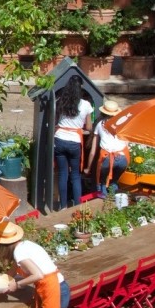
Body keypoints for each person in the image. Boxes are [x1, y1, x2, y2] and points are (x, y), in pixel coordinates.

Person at [54, 76, 92, 209]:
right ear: (80, 88)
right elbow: (88, 127)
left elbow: (55, 121)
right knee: (75, 175)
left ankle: (62, 205)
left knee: (62, 174)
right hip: (75, 141)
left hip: (59, 140)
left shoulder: (60, 102)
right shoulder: (86, 105)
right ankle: (77, 205)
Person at [85, 99, 129, 198]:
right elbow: (127, 143)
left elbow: (92, 151)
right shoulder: (123, 123)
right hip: (122, 158)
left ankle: (103, 202)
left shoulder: (100, 125)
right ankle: (114, 202)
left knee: (102, 183)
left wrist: (88, 168)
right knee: (114, 182)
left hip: (106, 157)